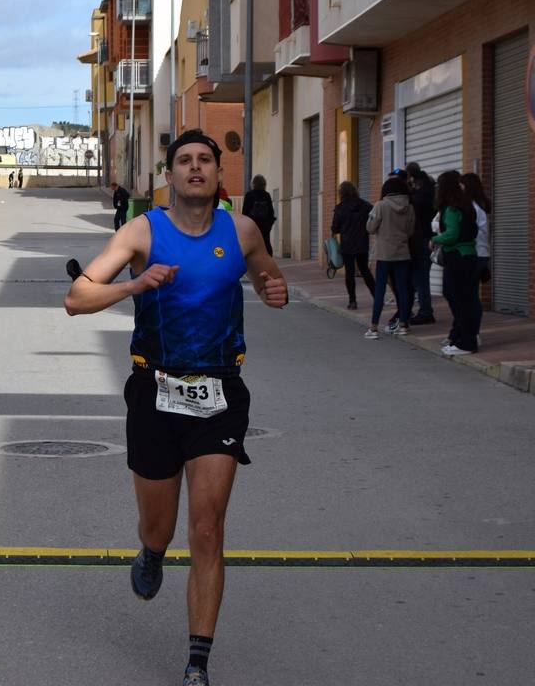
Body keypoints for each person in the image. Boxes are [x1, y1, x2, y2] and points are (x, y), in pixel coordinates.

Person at [64, 129, 288, 686]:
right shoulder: (142, 230)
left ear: (218, 174)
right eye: (184, 161)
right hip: (154, 391)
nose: (194, 168)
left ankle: (197, 663)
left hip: (219, 391)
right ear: (169, 175)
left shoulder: (242, 230)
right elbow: (78, 297)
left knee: (208, 527)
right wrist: (135, 284)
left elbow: (265, 276)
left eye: (204, 161)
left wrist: (271, 290)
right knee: (159, 526)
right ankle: (151, 551)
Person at [432, 170, 480, 356]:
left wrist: (435, 239)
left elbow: (452, 235)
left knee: (458, 298)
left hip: (457, 256)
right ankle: (462, 338)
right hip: (469, 255)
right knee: (464, 298)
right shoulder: (466, 205)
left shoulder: (451, 209)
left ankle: (465, 343)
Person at [364, 177, 415, 339]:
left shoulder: (380, 205)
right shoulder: (410, 207)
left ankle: (373, 328)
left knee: (380, 290)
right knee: (402, 289)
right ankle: (403, 325)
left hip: (384, 254)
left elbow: (370, 228)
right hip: (402, 253)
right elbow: (410, 230)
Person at [330, 181, 375, 310]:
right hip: (362, 243)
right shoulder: (365, 205)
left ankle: (352, 301)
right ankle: (377, 297)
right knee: (365, 271)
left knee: (349, 273)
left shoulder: (340, 208)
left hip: (347, 244)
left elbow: (335, 228)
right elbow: (373, 218)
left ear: (341, 193)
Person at [406, 166, 437, 325]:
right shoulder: (430, 190)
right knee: (420, 277)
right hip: (428, 239)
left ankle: (425, 311)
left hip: (422, 239)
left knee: (420, 278)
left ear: (411, 177)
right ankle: (424, 309)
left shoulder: (420, 197)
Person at [240, 175, 275, 256]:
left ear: (253, 184)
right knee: (266, 245)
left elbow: (244, 212)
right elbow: (271, 212)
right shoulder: (266, 195)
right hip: (265, 226)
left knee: (252, 246)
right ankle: (267, 263)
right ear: (264, 184)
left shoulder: (249, 195)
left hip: (253, 226)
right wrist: (269, 224)